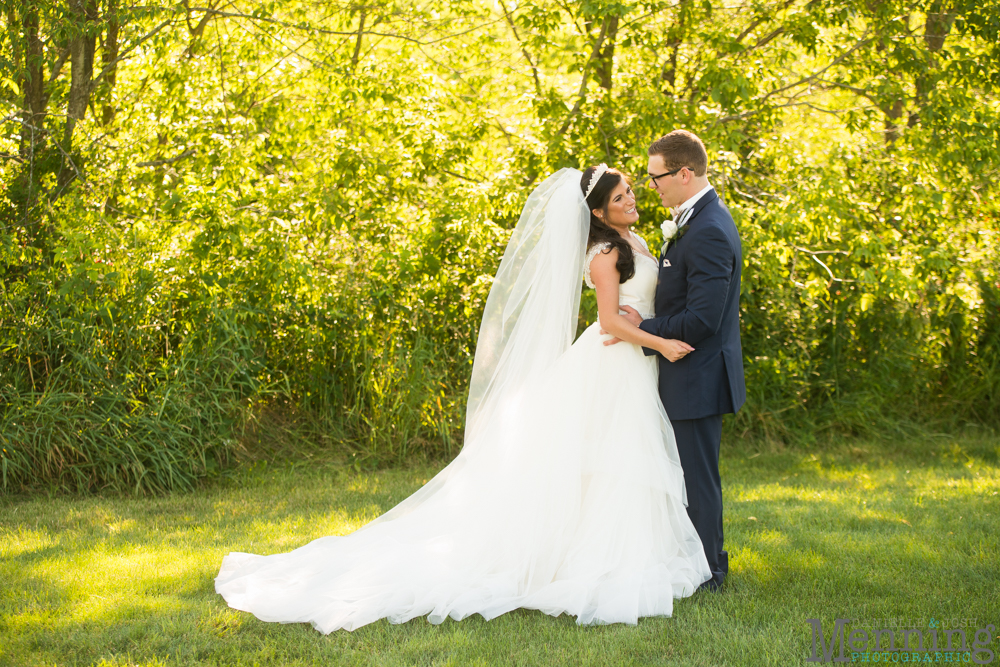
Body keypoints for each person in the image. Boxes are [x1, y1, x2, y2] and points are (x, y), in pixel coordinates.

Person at [215, 166, 711, 633]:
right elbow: (608, 323)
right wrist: (662, 343)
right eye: (620, 196)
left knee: (617, 461)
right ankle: (591, 560)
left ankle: (617, 551)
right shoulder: (604, 255)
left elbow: (639, 307)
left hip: (633, 360)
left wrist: (651, 326)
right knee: (608, 458)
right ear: (599, 213)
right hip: (614, 360)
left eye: (630, 191)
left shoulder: (641, 241)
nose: (631, 199)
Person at [608, 130, 746, 591]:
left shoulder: (706, 229)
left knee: (697, 477)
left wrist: (643, 329)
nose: (652, 186)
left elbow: (702, 319)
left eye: (657, 176)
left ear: (684, 173)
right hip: (687, 370)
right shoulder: (694, 219)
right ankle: (694, 562)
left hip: (697, 372)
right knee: (686, 473)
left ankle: (710, 571)